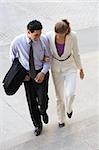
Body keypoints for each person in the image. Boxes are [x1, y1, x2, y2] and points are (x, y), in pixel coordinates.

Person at [9, 20, 51, 136]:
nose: (38, 36)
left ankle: (43, 111)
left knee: (42, 99)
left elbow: (48, 59)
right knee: (31, 101)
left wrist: (43, 72)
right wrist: (21, 75)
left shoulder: (43, 40)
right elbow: (13, 58)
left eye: (40, 33)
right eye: (36, 34)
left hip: (41, 72)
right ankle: (37, 125)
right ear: (28, 32)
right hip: (27, 75)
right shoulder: (17, 42)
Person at [46, 19, 84, 128]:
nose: (59, 38)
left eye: (61, 36)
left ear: (66, 31)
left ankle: (69, 108)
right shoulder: (49, 36)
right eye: (57, 35)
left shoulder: (73, 36)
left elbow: (76, 53)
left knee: (70, 93)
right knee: (59, 97)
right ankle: (61, 119)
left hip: (70, 66)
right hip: (56, 68)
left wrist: (80, 68)